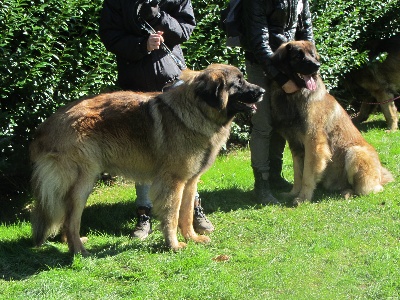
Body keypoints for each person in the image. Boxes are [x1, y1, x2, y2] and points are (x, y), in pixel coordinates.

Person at [99, 0, 214, 239]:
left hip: (175, 86)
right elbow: (110, 37)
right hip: (137, 90)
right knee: (145, 151)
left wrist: (158, 15)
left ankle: (193, 210)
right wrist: (142, 45)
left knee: (188, 156)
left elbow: (185, 29)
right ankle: (145, 214)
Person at [241, 0, 315, 204]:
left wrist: (310, 60)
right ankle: (262, 184)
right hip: (260, 64)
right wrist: (282, 79)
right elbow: (258, 41)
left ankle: (275, 176)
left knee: (282, 123)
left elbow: (306, 30)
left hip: (289, 64)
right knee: (263, 124)